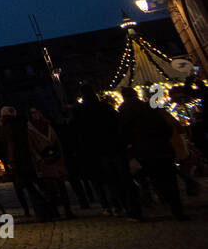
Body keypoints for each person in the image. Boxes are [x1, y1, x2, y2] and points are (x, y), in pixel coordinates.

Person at [119, 86, 186, 220]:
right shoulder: (149, 108)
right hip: (162, 148)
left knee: (153, 179)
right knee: (169, 179)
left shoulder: (124, 112)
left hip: (143, 151)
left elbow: (123, 134)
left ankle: (157, 202)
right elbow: (166, 127)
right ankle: (177, 209)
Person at [75, 86, 130, 216]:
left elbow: (81, 134)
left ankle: (112, 205)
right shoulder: (106, 108)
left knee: (105, 181)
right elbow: (118, 124)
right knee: (120, 177)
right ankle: (126, 205)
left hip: (96, 151)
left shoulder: (82, 112)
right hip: (113, 147)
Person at [0, 106, 47, 218]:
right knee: (35, 185)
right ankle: (47, 209)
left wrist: (9, 160)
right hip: (29, 159)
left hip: (16, 161)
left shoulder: (6, 128)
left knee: (25, 187)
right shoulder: (23, 124)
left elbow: (5, 145)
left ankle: (40, 212)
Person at [26, 108, 74, 219]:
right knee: (50, 189)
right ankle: (55, 212)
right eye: (32, 113)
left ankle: (67, 210)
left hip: (55, 159)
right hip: (44, 161)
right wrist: (38, 159)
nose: (35, 114)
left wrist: (59, 155)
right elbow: (31, 147)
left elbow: (57, 141)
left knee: (62, 187)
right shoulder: (30, 129)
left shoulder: (47, 125)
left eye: (36, 112)